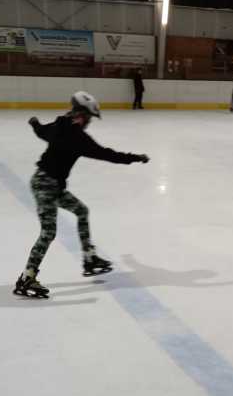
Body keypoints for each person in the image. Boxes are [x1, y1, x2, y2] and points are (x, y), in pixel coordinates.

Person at [14, 91, 150, 299]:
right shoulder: (78, 137)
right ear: (80, 114)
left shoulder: (59, 125)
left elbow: (42, 132)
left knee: (81, 211)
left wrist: (35, 123)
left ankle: (89, 257)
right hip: (45, 185)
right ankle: (27, 278)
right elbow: (107, 154)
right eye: (88, 118)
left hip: (50, 185)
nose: (88, 123)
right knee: (48, 232)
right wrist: (135, 157)